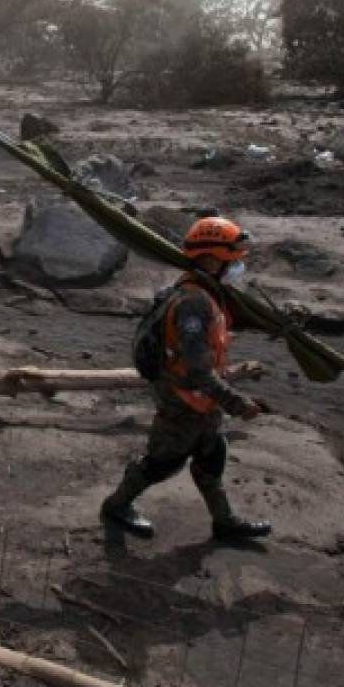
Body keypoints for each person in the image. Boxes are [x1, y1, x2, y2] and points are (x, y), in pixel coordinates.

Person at [102, 216, 272, 542]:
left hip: (202, 400)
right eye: (232, 262)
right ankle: (115, 505)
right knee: (163, 462)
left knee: (211, 456)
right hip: (183, 399)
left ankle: (225, 522)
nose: (237, 268)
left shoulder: (205, 292)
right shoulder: (193, 303)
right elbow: (197, 371)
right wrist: (237, 403)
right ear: (211, 259)